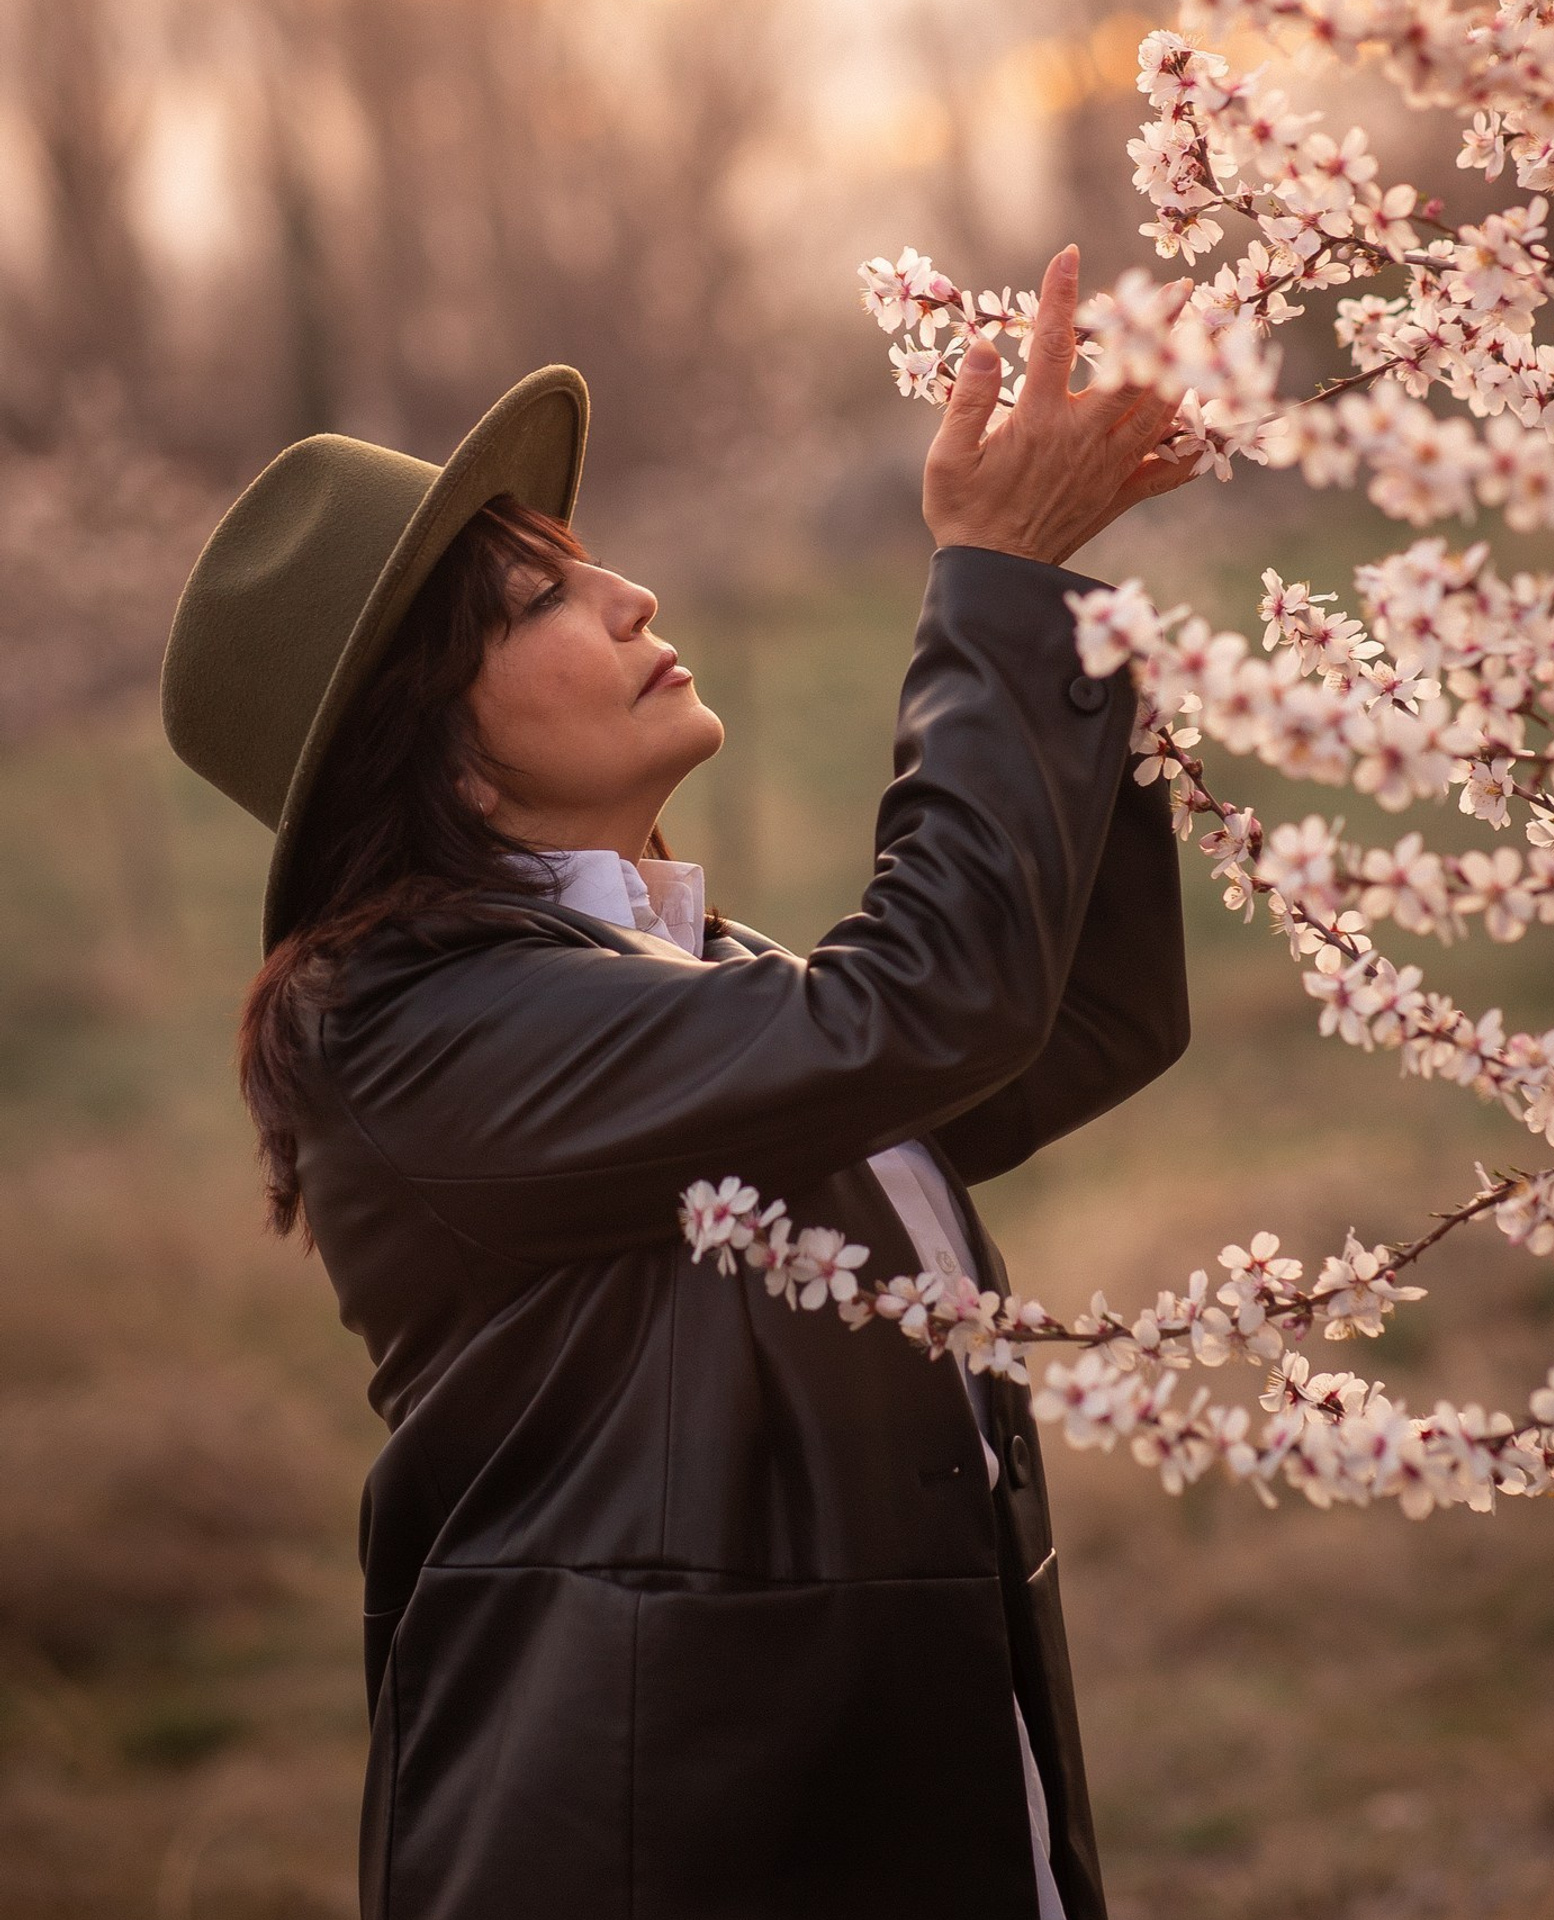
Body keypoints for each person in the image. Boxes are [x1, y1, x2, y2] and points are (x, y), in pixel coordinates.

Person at [161, 246, 1197, 1920]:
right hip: (659, 1851)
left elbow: (1078, 1024)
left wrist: (1060, 608)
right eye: (539, 602)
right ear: (436, 756)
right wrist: (995, 584)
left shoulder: (664, 970)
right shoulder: (422, 1031)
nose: (631, 596)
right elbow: (928, 1008)